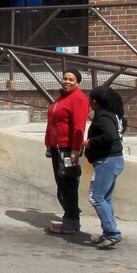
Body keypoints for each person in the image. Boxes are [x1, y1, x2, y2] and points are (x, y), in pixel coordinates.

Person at [45, 69, 91, 235]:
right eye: (65, 78)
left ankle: (71, 222)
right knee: (62, 186)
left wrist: (75, 150)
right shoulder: (62, 97)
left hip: (68, 148)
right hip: (57, 148)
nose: (67, 82)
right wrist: (49, 144)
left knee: (67, 186)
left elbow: (79, 127)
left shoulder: (78, 99)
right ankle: (71, 216)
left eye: (71, 79)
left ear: (77, 82)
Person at [86, 84, 127, 249]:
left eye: (91, 100)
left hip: (106, 161)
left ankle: (112, 233)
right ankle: (108, 232)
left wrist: (90, 142)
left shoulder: (103, 116)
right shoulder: (114, 115)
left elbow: (110, 136)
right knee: (105, 197)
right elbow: (122, 127)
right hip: (114, 160)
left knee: (96, 197)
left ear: (96, 101)